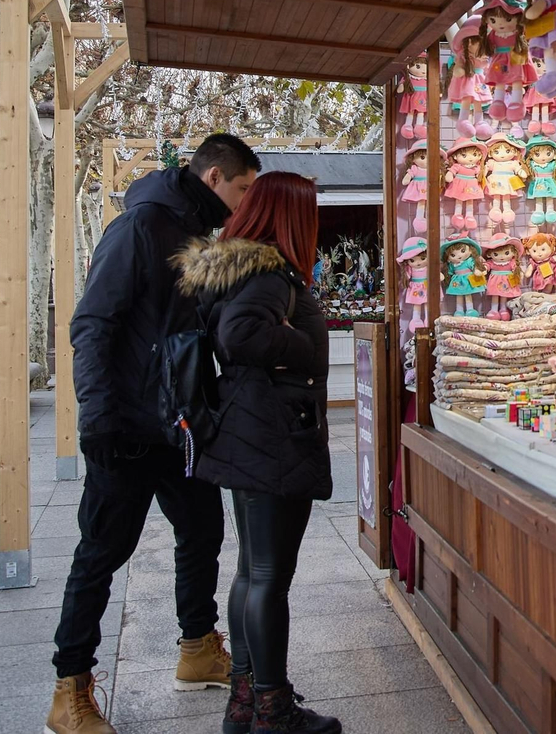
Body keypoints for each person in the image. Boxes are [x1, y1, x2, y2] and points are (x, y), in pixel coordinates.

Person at [47, 134, 260, 734]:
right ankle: (69, 690)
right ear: (215, 176)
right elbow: (92, 322)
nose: (245, 201)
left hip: (180, 425)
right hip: (127, 426)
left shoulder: (197, 230)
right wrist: (97, 418)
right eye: (243, 188)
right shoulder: (141, 225)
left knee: (202, 531)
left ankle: (196, 649)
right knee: (102, 554)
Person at [175, 171, 340, 734]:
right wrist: (310, 345)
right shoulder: (272, 271)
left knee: (252, 572)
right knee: (268, 575)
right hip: (271, 436)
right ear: (293, 214)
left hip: (249, 432)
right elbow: (241, 336)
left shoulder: (242, 267)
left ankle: (245, 702)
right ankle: (273, 708)